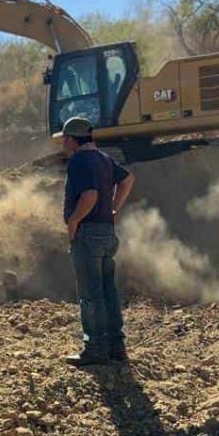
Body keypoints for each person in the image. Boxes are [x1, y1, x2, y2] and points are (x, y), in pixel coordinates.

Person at [56, 116, 135, 367]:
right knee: (107, 290)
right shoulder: (104, 159)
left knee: (90, 294)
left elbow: (89, 194)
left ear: (71, 139)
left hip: (87, 234)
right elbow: (128, 179)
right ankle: (116, 346)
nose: (63, 144)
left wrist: (74, 221)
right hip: (106, 232)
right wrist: (113, 209)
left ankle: (95, 348)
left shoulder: (78, 160)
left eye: (64, 140)